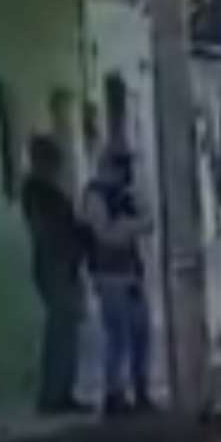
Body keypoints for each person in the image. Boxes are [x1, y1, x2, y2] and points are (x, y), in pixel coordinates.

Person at [81, 146, 154, 416]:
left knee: (141, 334)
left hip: (132, 272)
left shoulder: (124, 195)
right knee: (118, 337)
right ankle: (114, 395)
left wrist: (128, 224)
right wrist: (129, 226)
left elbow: (147, 222)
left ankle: (141, 391)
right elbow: (106, 235)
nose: (127, 173)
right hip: (109, 274)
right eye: (122, 167)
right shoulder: (95, 196)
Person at [20, 135, 87, 415]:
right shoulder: (39, 193)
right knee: (61, 332)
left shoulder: (44, 192)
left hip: (60, 265)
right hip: (55, 265)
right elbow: (48, 233)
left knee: (66, 331)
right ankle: (54, 396)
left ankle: (61, 393)